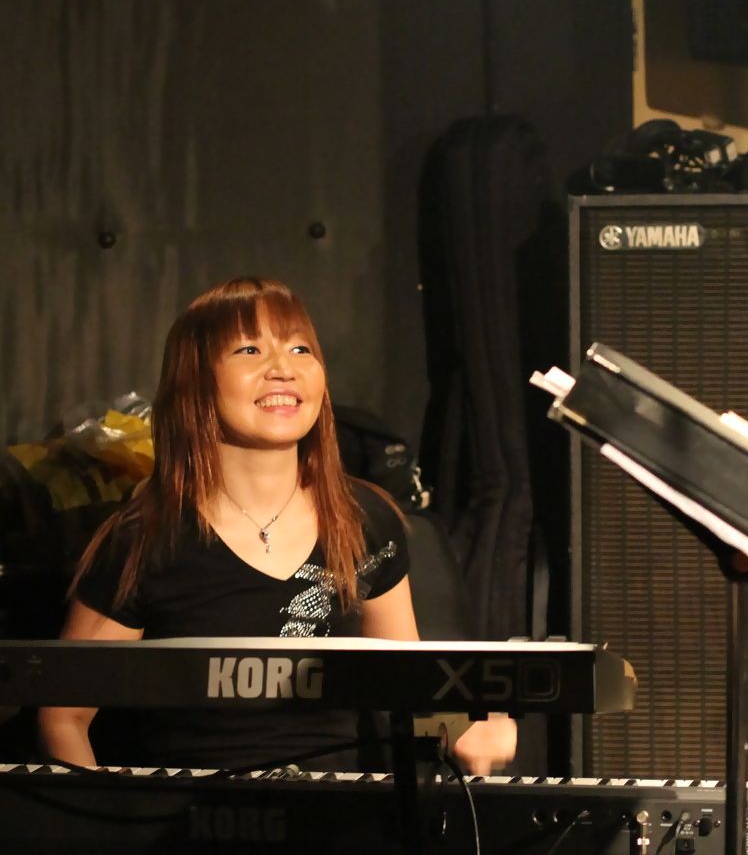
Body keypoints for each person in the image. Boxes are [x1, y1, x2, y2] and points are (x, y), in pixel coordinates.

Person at [38, 276, 516, 773]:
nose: (283, 369)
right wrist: (106, 812)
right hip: (192, 810)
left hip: (337, 809)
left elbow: (409, 689)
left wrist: (464, 731)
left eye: (300, 349)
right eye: (249, 349)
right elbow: (63, 715)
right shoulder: (145, 536)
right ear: (195, 380)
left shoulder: (364, 519)